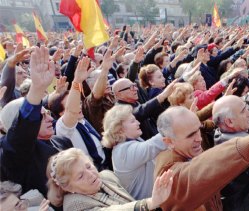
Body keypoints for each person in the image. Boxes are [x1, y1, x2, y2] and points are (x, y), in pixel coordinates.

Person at [0, 46, 59, 196]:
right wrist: (37, 89)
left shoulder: (60, 141)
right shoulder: (13, 154)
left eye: (48, 113)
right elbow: (23, 129)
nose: (51, 119)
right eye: (41, 115)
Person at [46, 148, 174, 210]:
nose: (90, 174)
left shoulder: (106, 176)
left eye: (89, 166)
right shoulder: (73, 205)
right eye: (80, 176)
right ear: (68, 187)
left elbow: (129, 200)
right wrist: (151, 202)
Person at [102, 104, 167, 200]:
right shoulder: (123, 151)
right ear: (119, 130)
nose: (138, 123)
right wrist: (177, 122)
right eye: (132, 121)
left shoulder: (130, 142)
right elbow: (153, 145)